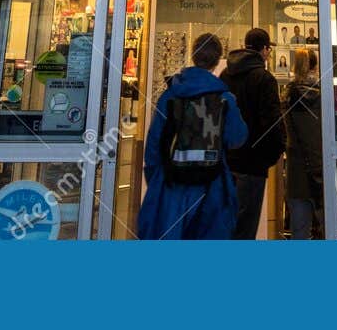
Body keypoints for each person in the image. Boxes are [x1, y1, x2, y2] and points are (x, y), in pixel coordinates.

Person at [137, 33, 247, 240]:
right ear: (217, 61)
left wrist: (157, 179)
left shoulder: (170, 95)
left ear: (193, 55)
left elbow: (154, 143)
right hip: (212, 188)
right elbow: (237, 138)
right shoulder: (224, 98)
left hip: (172, 187)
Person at [220, 27, 286, 239]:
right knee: (245, 229)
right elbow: (272, 123)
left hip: (226, 163)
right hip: (252, 166)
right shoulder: (264, 79)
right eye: (269, 49)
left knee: (226, 225)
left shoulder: (225, 75)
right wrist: (272, 155)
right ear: (264, 50)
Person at [283, 46, 324, 239]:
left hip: (297, 168)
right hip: (322, 165)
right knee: (329, 225)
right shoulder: (325, 94)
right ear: (315, 67)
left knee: (300, 229)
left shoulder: (288, 95)